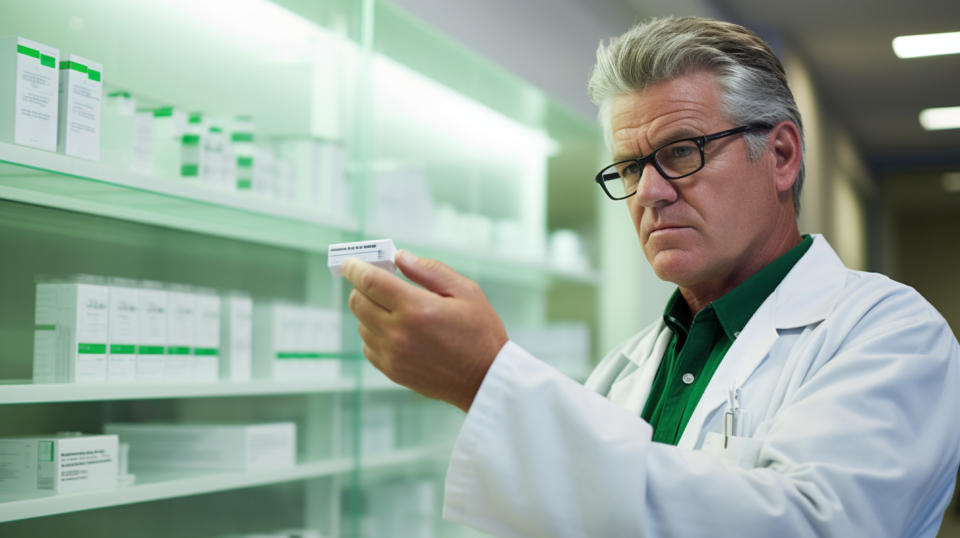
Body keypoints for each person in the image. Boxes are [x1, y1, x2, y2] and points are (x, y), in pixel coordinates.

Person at [342, 16, 960, 537]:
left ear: (781, 155)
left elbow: (813, 526)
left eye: (681, 152)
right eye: (630, 167)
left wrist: (486, 378)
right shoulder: (626, 367)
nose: (651, 193)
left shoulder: (891, 334)